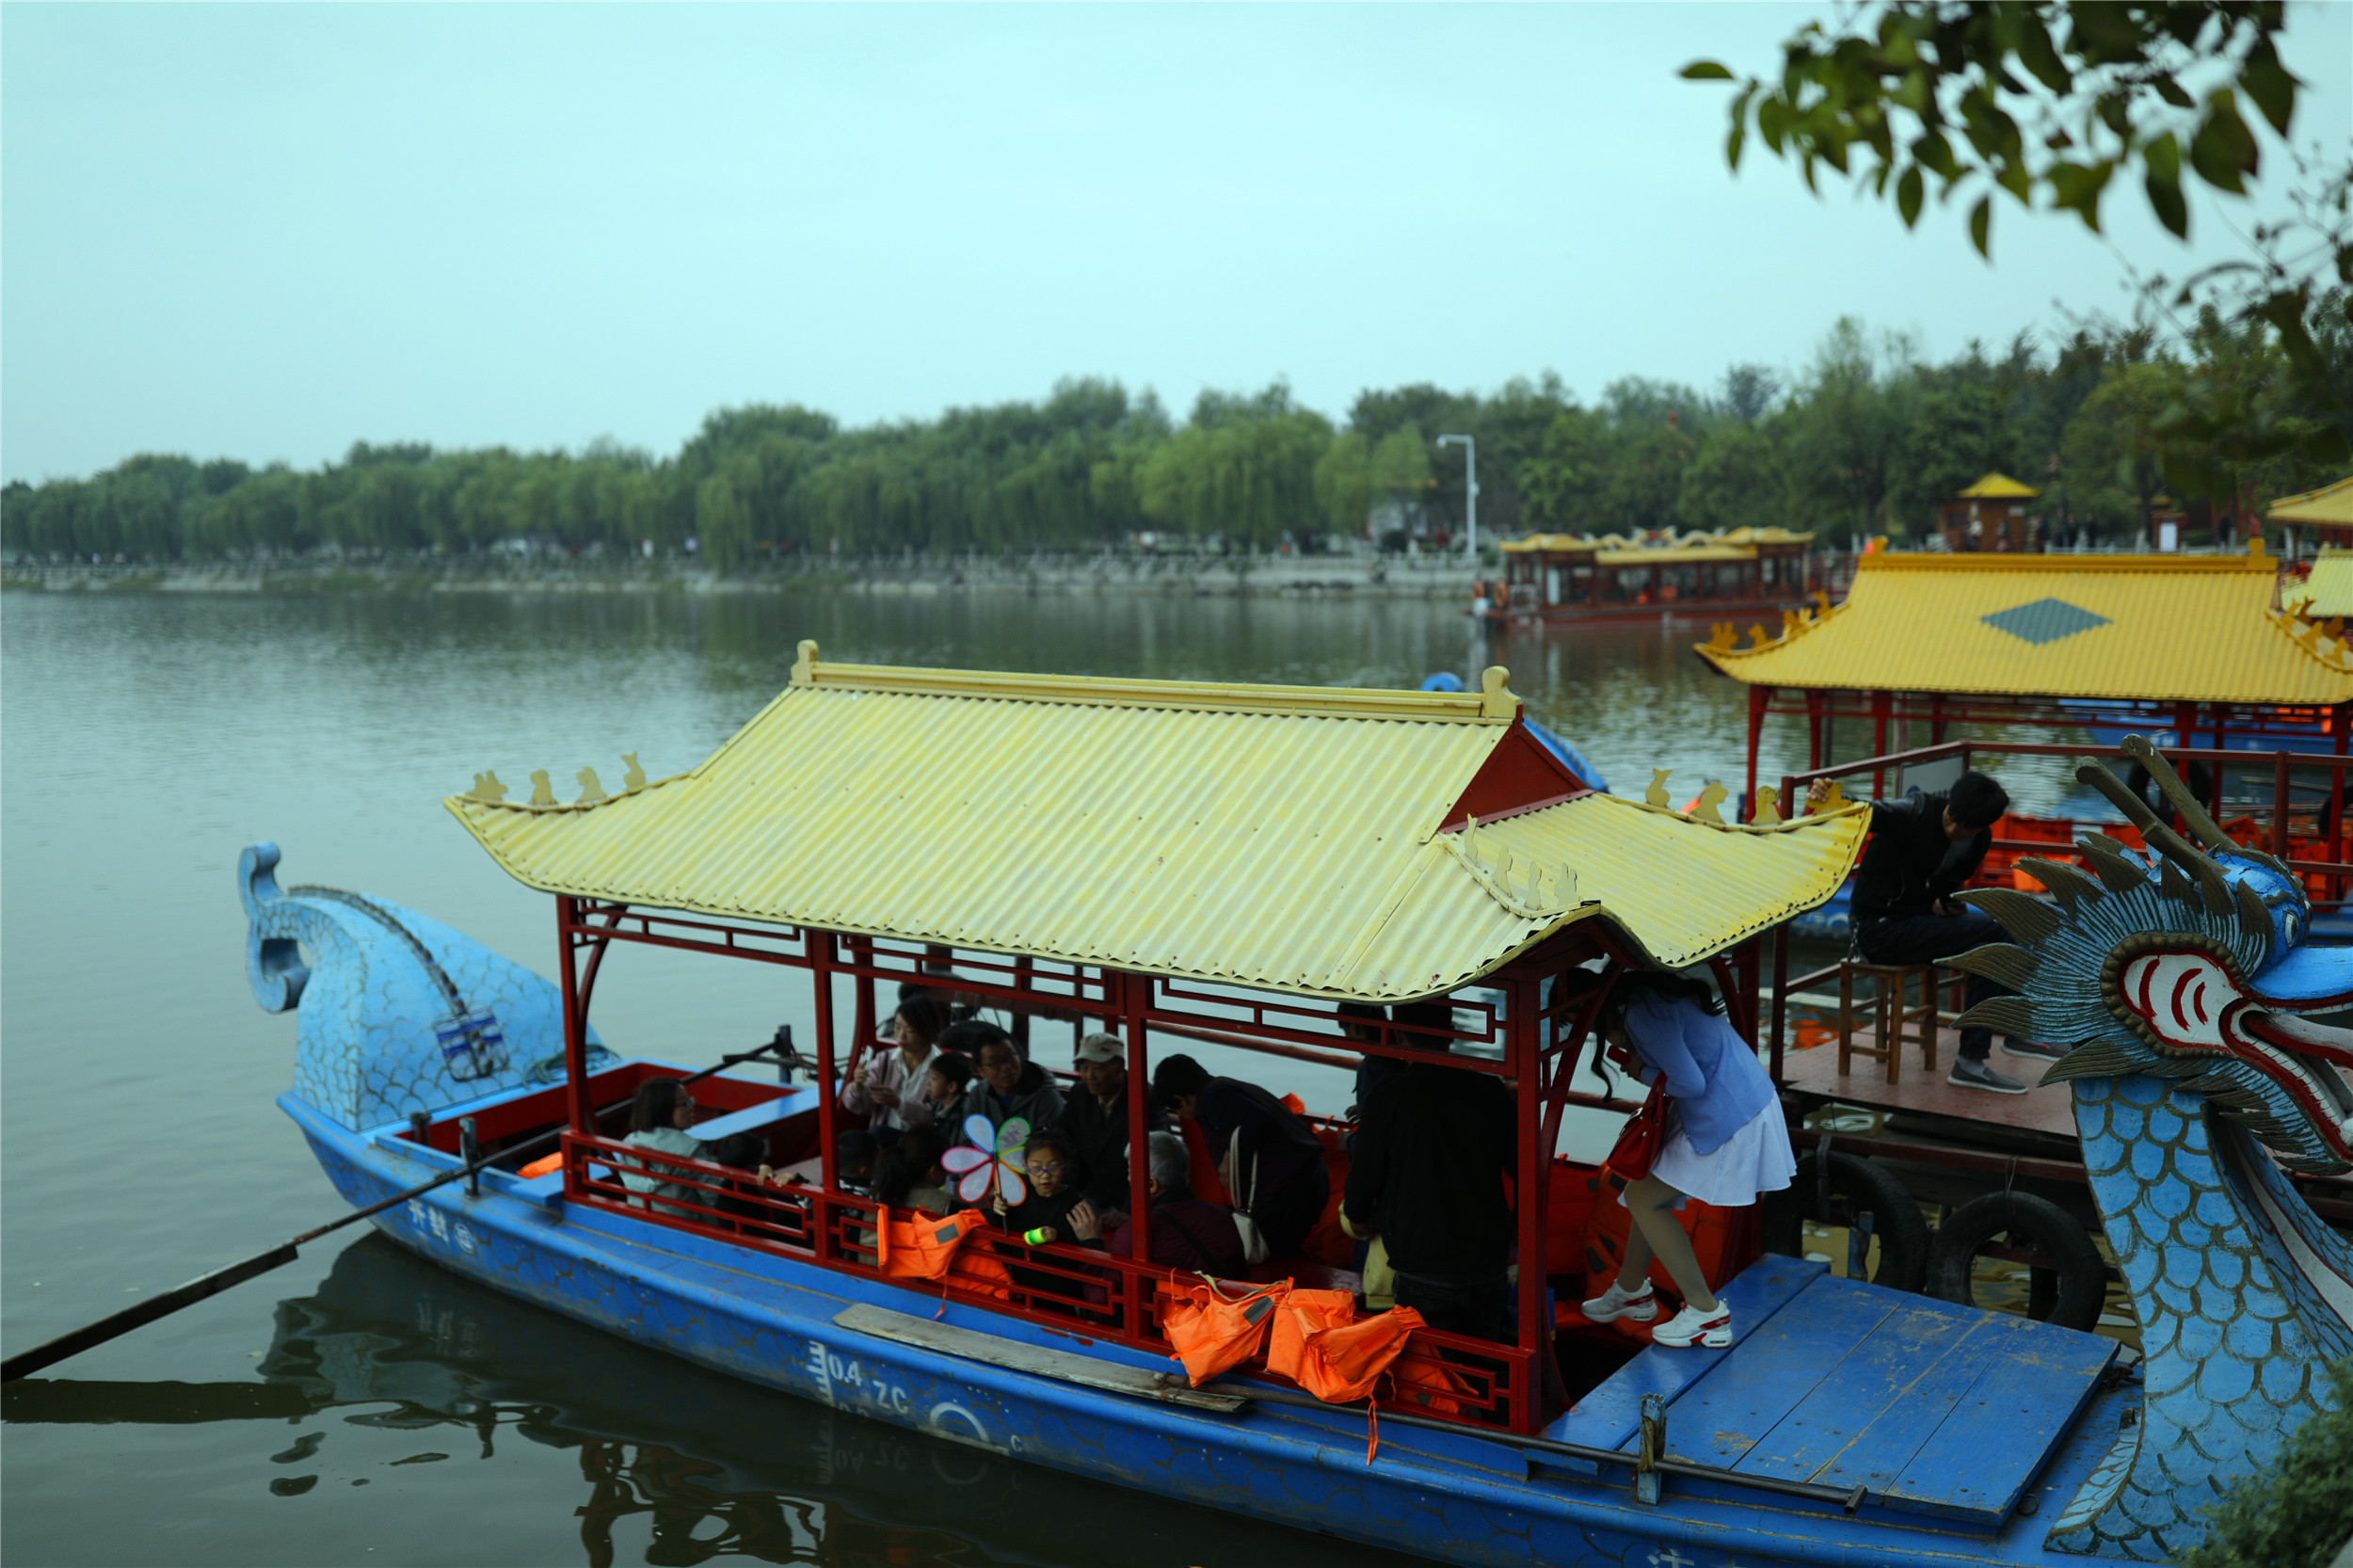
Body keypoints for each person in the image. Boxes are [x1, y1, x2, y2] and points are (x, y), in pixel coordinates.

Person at [1579, 971, 1796, 1349]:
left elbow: (1689, 1083)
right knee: (1641, 1194)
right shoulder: (1647, 996)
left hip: (1730, 1113)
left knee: (1646, 1201)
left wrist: (1641, 1071)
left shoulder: (1640, 1016)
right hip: (1737, 1099)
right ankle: (1629, 1291)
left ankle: (1707, 1314)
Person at [1810, 770, 2051, 1095]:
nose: (1954, 829)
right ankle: (1998, 1042)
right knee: (1996, 933)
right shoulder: (1914, 812)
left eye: (1965, 828)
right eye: (1952, 818)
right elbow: (1864, 809)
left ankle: (1982, 1053)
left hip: (1916, 923)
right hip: (1877, 930)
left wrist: (1948, 904)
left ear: (1981, 827)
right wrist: (1829, 795)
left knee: (2005, 931)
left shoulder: (1978, 840)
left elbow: (1946, 888)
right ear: (1948, 803)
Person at [1341, 1002, 1515, 1341]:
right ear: (1450, 1035)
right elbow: (1522, 1163)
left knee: (1432, 1364)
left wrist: (1358, 1213)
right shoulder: (1490, 1091)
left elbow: (1365, 1174)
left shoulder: (1388, 1098)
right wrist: (1517, 1224)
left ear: (1400, 1035)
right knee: (1484, 1351)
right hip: (1487, 1254)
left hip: (1422, 1258)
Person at [1150, 1053, 1327, 1261]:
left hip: (1291, 1189)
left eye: (1175, 1109)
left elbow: (1257, 1119)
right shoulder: (1225, 1087)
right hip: (1306, 1180)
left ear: (1181, 1098)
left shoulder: (1215, 1098)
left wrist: (1229, 1157)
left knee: (1264, 1256)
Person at [1073, 1130, 1247, 1276]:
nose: (1128, 1179)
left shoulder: (1136, 1234)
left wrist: (1091, 1243)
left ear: (1151, 1185)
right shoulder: (1221, 1217)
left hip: (1169, 1317)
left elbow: (1101, 1298)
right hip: (1220, 1314)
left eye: (1130, 1172)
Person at [1053, 1032, 1161, 1216]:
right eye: (1084, 1067)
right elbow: (1060, 1134)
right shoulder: (1080, 1093)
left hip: (1128, 1201)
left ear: (1119, 1065)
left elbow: (1156, 1158)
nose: (1089, 1076)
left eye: (1098, 1067)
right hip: (1087, 1193)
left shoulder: (1143, 1097)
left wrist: (1130, 1213)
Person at [840, 996, 952, 1139]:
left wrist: (899, 1104)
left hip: (919, 1143)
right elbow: (859, 1107)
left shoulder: (941, 1066)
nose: (900, 1036)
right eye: (897, 1027)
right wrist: (858, 1086)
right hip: (885, 1137)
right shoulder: (886, 1060)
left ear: (928, 1031)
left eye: (909, 1031)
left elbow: (936, 1116)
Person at [618, 1079, 712, 1219]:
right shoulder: (690, 1148)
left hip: (639, 1216)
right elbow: (713, 1195)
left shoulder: (629, 1142)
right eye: (684, 1103)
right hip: (686, 1225)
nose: (690, 1107)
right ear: (662, 1108)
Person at [960, 1027, 1064, 1145]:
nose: (1006, 1067)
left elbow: (1054, 1146)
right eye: (995, 1063)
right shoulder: (977, 1097)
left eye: (1010, 1057)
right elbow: (967, 1142)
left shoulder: (1046, 1096)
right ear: (981, 1071)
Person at [872, 1127, 955, 1216]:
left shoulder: (879, 1196)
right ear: (934, 1172)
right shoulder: (948, 1205)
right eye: (947, 1165)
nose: (948, 1172)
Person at [920, 1052, 977, 1136]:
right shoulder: (937, 1106)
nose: (928, 1083)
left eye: (934, 1079)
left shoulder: (961, 1117)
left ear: (951, 1086)